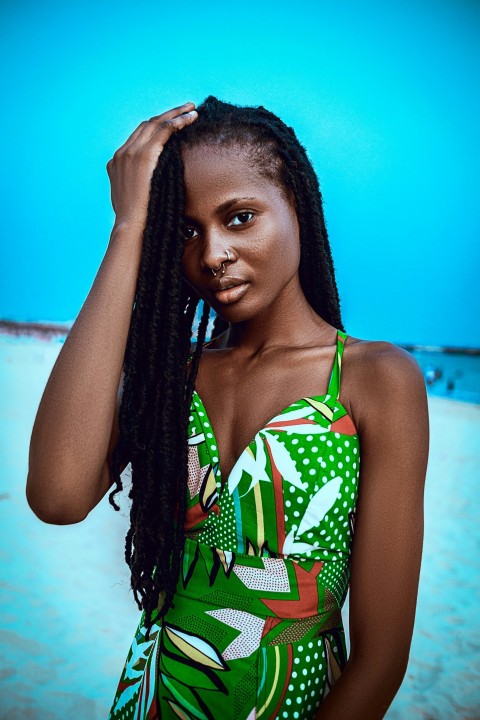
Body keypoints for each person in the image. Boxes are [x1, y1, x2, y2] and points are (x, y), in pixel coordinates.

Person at [26, 96, 430, 719]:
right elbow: (56, 497)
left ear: (295, 202)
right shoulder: (171, 378)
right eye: (186, 230)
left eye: (239, 218)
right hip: (153, 702)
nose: (212, 254)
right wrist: (129, 227)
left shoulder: (375, 380)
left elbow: (382, 662)